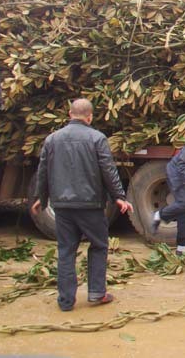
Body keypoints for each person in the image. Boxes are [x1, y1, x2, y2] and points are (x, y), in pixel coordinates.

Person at [31, 98, 133, 311]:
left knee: (66, 250)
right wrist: (119, 196)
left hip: (62, 207)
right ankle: (97, 293)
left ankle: (66, 301)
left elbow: (43, 171)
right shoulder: (97, 138)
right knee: (99, 245)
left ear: (69, 114)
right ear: (90, 117)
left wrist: (41, 196)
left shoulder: (52, 139)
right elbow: (108, 170)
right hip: (91, 206)